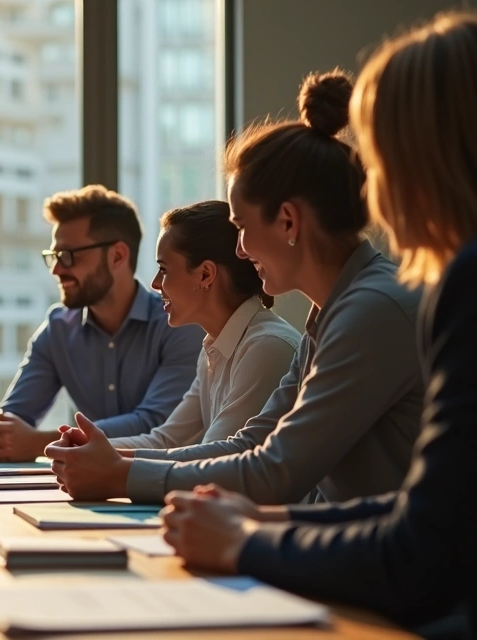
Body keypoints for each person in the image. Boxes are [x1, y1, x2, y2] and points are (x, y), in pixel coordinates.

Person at [160, 13, 477, 634]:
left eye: (382, 168)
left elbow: (420, 552)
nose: (376, 199)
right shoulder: (341, 309)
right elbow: (431, 515)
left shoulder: (429, 292)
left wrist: (244, 543)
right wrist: (260, 525)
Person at [46, 70, 424, 506]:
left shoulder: (370, 312)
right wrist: (116, 465)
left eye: (241, 227)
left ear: (288, 222)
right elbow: (254, 444)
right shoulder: (332, 314)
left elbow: (275, 471)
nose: (240, 251)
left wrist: (120, 476)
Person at [0, 185, 204, 461]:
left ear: (118, 256)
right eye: (54, 257)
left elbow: (158, 425)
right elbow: (13, 420)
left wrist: (40, 443)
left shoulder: (180, 325)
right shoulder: (58, 327)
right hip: (88, 485)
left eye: (69, 255)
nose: (57, 270)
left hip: (165, 487)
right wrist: (3, 433)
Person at [109, 200, 299, 451]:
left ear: (205, 274)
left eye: (164, 270)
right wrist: (89, 447)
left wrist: (106, 461)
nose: (155, 284)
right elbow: (164, 441)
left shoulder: (267, 347)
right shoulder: (214, 348)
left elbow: (216, 456)